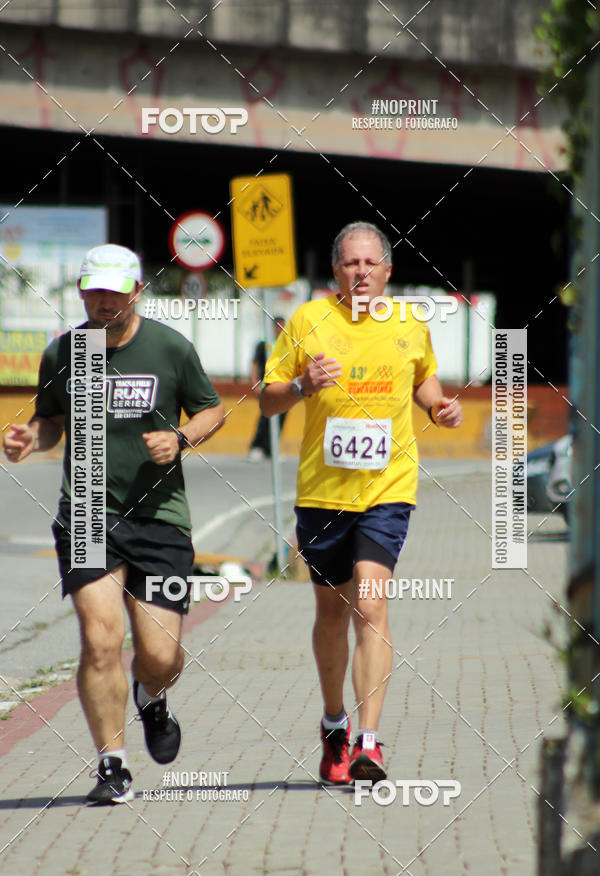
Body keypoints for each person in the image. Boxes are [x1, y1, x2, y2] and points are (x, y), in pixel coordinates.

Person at [3, 244, 225, 805]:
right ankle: (112, 764)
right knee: (100, 637)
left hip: (160, 518)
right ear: (82, 292)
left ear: (136, 291)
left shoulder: (170, 348)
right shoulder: (66, 353)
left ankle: (151, 695)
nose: (103, 301)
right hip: (87, 512)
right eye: (93, 291)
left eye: (114, 291)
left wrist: (179, 439)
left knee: (161, 656)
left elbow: (211, 409)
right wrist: (33, 438)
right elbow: (51, 420)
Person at [260, 222, 462, 785]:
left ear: (389, 271)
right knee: (331, 613)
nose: (362, 273)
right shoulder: (307, 321)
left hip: (387, 489)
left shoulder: (409, 324)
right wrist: (303, 385)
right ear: (335, 272)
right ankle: (334, 727)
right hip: (322, 493)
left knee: (371, 604)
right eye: (351, 264)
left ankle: (369, 742)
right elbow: (266, 401)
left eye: (371, 263)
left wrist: (437, 407)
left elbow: (424, 381)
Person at [248, 316, 286, 461]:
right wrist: (255, 382)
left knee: (280, 417)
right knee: (265, 417)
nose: (281, 330)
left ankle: (272, 449)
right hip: (267, 386)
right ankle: (257, 446)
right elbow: (255, 364)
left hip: (282, 387)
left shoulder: (285, 344)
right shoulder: (264, 344)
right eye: (279, 327)